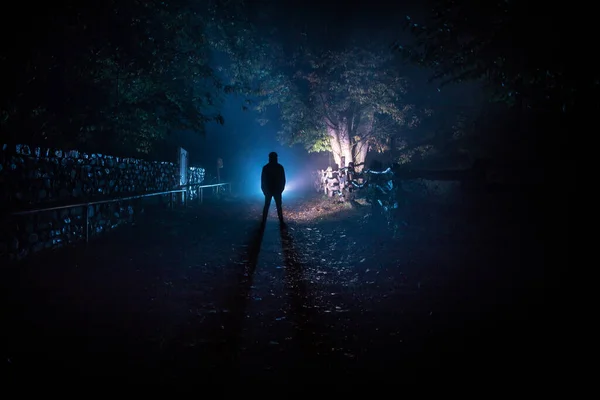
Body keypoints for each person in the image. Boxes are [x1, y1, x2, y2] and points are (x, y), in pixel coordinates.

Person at [261, 152, 286, 225]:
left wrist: (264, 190)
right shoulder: (279, 167)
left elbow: (263, 180)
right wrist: (281, 189)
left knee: (267, 205)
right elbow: (283, 180)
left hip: (270, 190)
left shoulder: (266, 167)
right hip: (276, 190)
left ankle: (264, 221)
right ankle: (281, 221)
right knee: (278, 206)